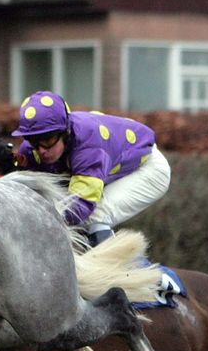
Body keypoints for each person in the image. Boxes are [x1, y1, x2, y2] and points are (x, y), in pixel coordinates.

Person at [11, 91, 170, 248]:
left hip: (148, 168)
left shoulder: (89, 149)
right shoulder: (33, 149)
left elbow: (80, 205)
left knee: (93, 217)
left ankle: (129, 272)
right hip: (110, 165)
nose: (41, 150)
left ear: (65, 132)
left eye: (47, 140)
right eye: (33, 141)